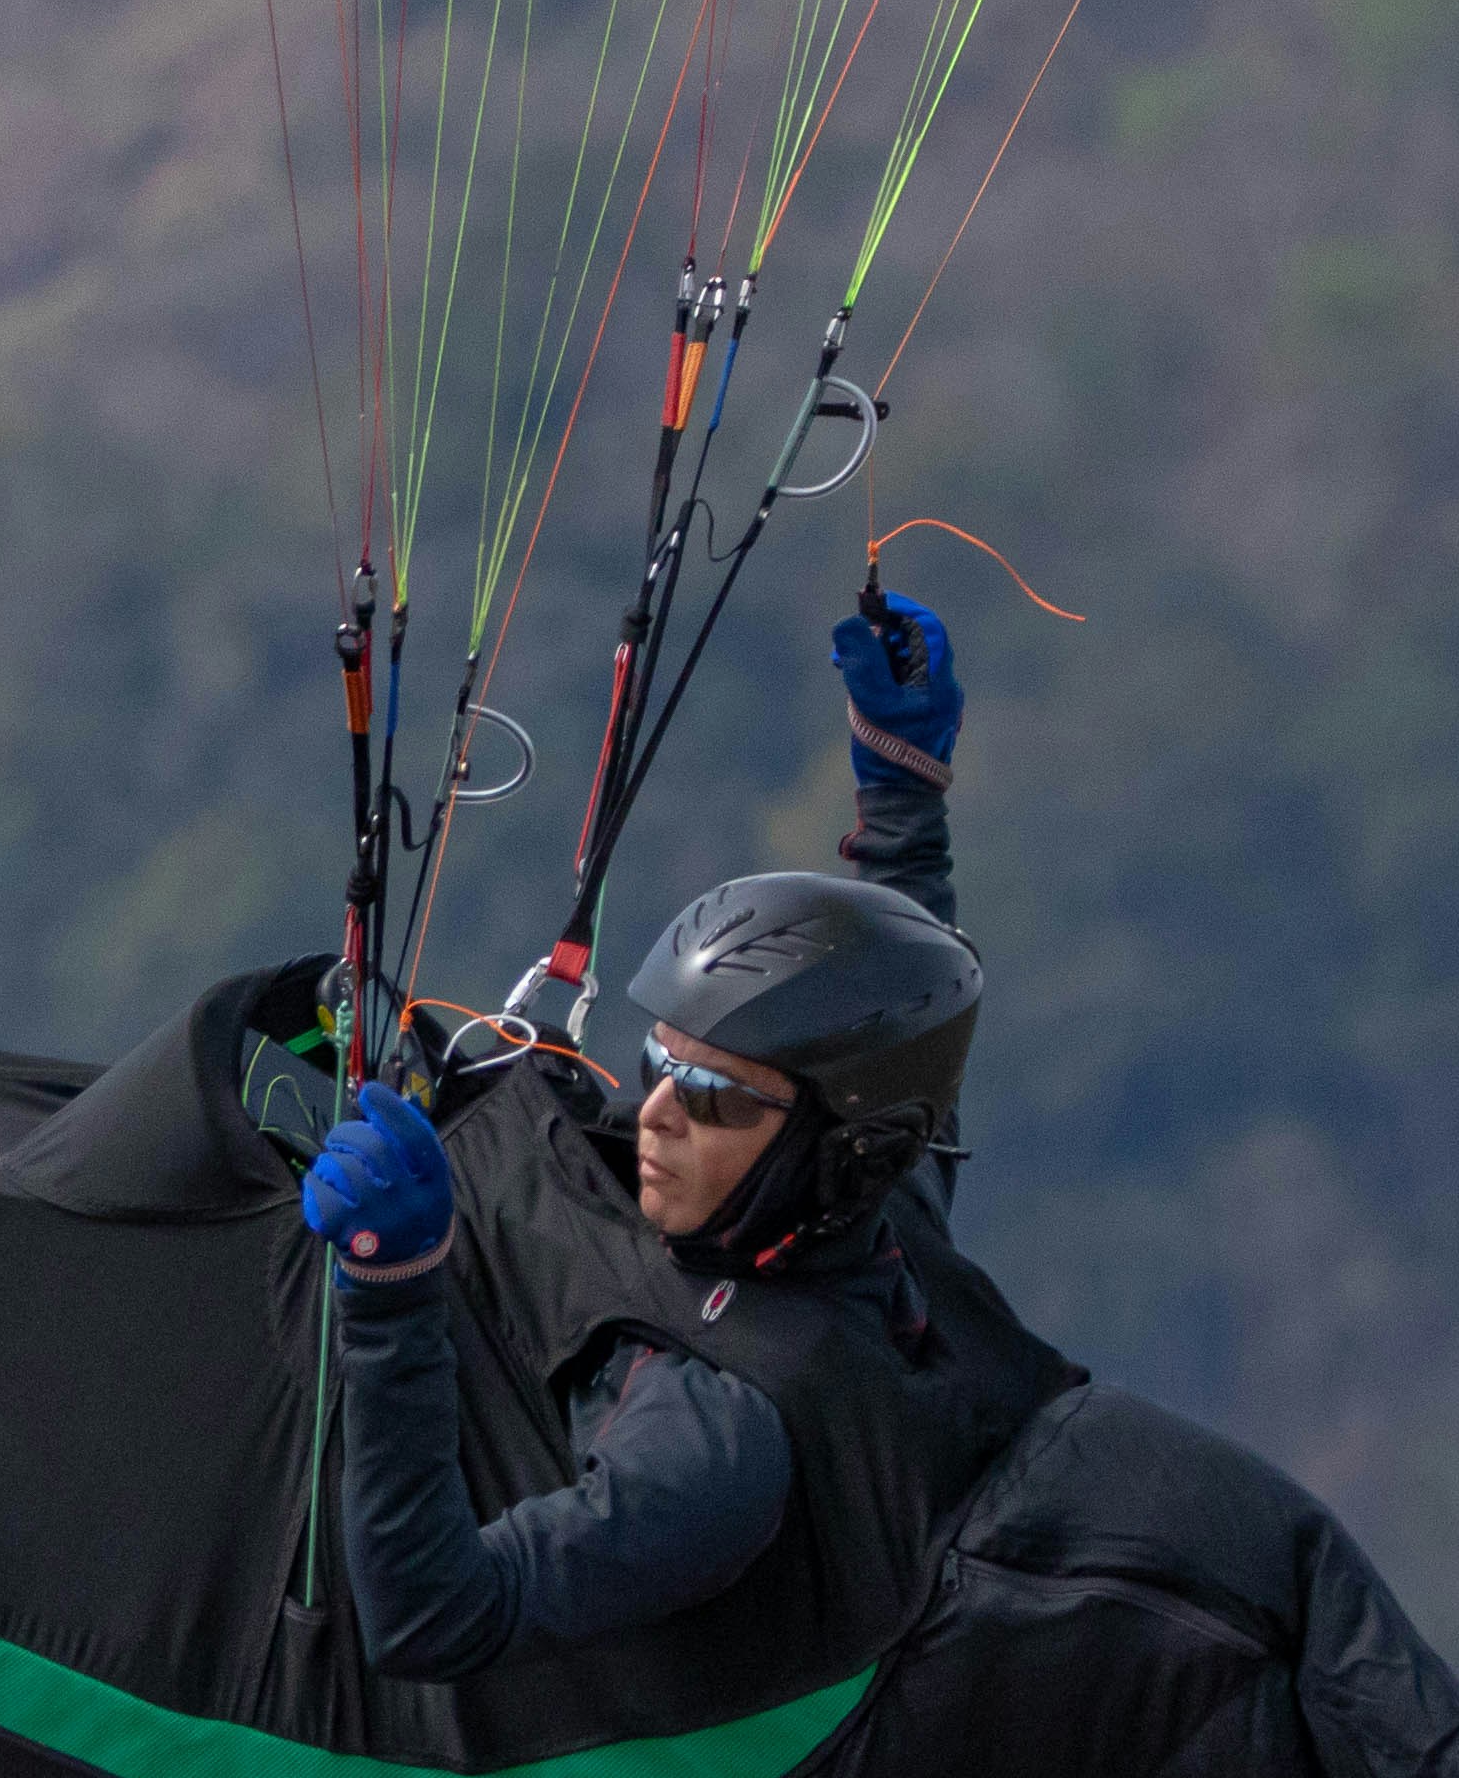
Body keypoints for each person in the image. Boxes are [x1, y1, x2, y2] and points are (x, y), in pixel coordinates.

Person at [296, 590, 982, 1678]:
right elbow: (902, 1013)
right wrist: (902, 784)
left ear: (833, 1147)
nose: (656, 1108)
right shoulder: (876, 1202)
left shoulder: (718, 1443)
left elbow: (428, 1618)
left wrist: (391, 1290)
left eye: (712, 1093)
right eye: (660, 1063)